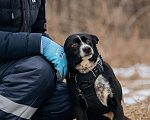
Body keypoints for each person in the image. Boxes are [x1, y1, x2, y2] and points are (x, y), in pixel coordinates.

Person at [0, 0, 75, 120]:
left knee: (69, 97)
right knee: (40, 70)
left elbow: (37, 30)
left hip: (16, 66)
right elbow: (36, 41)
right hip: (14, 68)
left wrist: (60, 55)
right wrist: (39, 43)